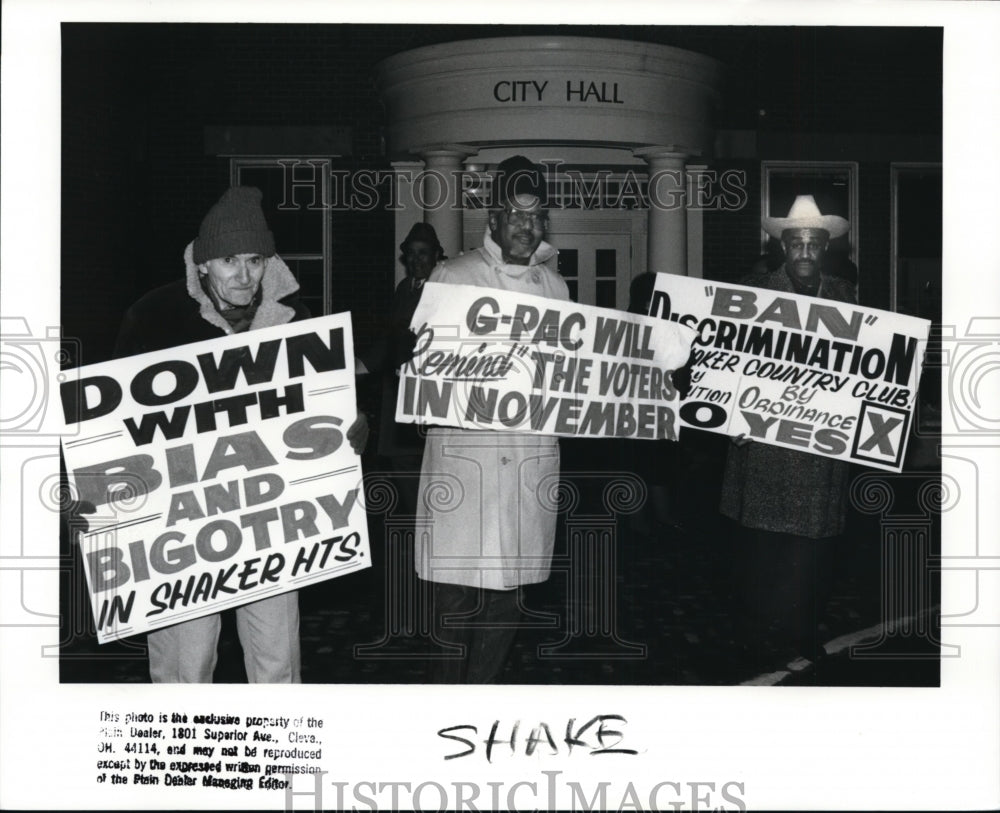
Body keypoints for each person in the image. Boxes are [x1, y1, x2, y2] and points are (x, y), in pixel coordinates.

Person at [113, 186, 368, 683]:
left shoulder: (296, 323)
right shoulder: (155, 317)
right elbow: (116, 424)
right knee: (186, 668)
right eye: (229, 260)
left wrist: (353, 426)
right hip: (182, 525)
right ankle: (179, 759)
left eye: (255, 259)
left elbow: (325, 411)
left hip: (271, 520)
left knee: (278, 662)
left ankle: (279, 754)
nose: (244, 275)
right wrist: (101, 498)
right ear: (203, 263)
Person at [414, 156, 569, 683]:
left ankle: (481, 696)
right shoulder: (453, 276)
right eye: (515, 214)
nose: (527, 226)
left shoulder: (556, 288)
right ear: (495, 220)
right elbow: (422, 368)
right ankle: (446, 704)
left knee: (509, 595)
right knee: (455, 598)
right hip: (466, 462)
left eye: (536, 215)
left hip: (529, 457)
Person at [720, 194, 856, 668]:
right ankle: (754, 637)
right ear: (782, 248)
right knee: (761, 552)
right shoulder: (751, 293)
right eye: (795, 243)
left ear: (825, 249)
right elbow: (725, 365)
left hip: (820, 450)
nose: (803, 253)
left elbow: (868, 372)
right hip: (763, 447)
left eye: (812, 245)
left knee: (813, 553)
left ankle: (802, 630)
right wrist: (728, 415)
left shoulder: (847, 298)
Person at [359, 222, 444, 514]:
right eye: (411, 254)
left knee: (432, 472)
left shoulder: (445, 289)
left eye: (424, 253)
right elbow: (391, 338)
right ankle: (418, 535)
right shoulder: (403, 289)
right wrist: (362, 365)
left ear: (436, 256)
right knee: (404, 470)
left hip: (430, 398)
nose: (417, 260)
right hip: (399, 395)